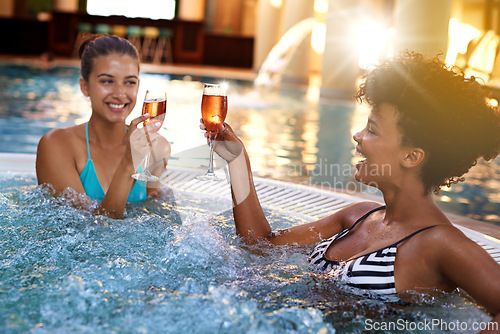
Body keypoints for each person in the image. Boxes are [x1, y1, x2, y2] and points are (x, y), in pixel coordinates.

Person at [202, 51, 500, 328]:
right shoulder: (360, 215)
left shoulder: (439, 244)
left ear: (411, 156)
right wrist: (237, 160)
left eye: (372, 130)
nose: (358, 136)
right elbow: (260, 245)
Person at [36, 35, 170, 218]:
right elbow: (93, 231)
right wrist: (128, 163)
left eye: (130, 82)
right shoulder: (56, 146)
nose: (120, 94)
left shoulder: (157, 148)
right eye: (107, 81)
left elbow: (155, 218)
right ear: (85, 87)